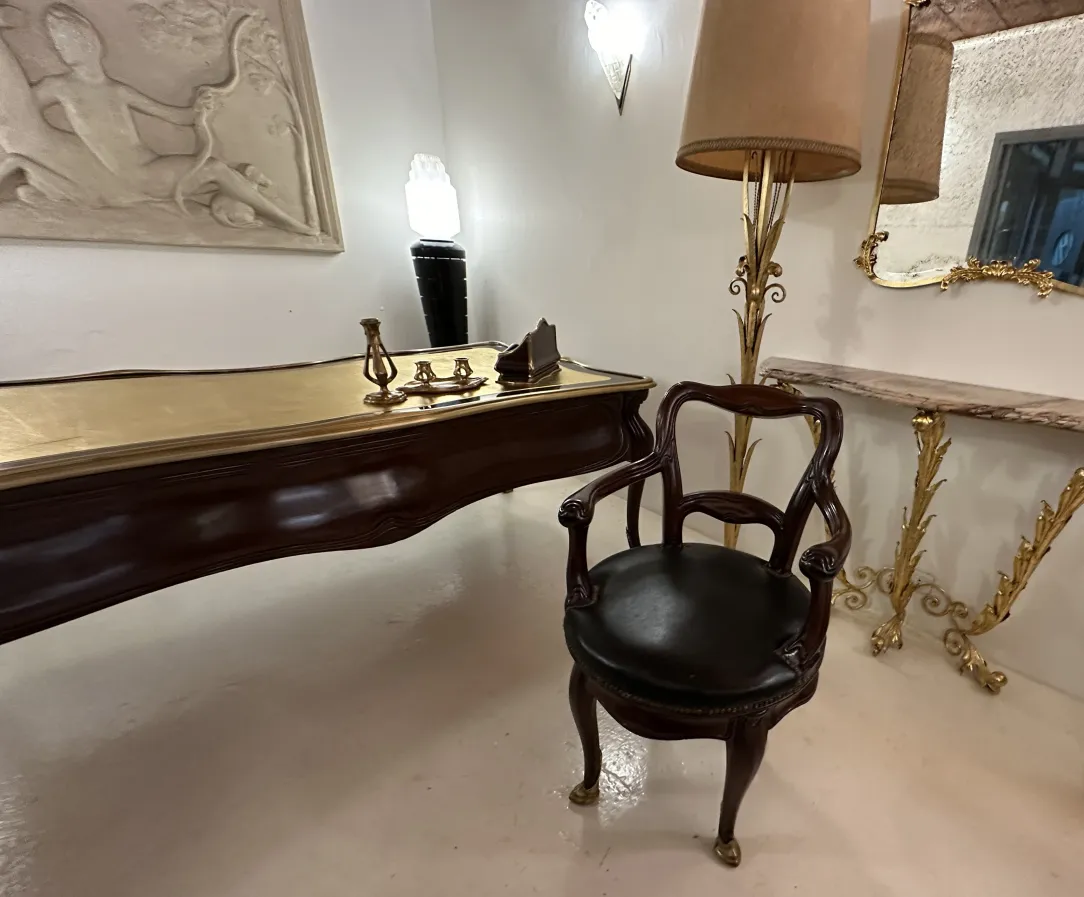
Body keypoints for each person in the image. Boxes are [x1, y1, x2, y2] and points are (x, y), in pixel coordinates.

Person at [22, 4, 315, 235]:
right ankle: (287, 221)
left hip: (150, 167)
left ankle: (274, 217)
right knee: (213, 169)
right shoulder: (58, 87)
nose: (64, 49)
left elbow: (178, 117)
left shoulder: (117, 91)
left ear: (91, 42)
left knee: (218, 169)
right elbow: (20, 113)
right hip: (132, 177)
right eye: (58, 44)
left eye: (71, 40)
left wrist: (201, 108)